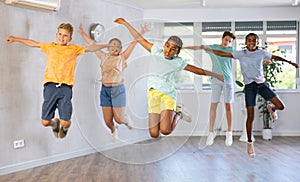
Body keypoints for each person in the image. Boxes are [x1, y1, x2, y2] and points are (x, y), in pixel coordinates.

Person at [114, 18, 224, 138]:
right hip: (153, 96)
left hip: (167, 95)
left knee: (165, 130)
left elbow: (197, 70)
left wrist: (215, 75)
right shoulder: (156, 51)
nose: (168, 51)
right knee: (154, 134)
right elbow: (140, 38)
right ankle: (178, 112)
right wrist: (125, 23)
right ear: (164, 45)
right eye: (167, 46)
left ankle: (179, 114)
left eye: (173, 49)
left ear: (177, 52)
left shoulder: (178, 62)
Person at [199, 33, 299, 157]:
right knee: (250, 116)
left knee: (281, 106)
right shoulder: (241, 54)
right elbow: (224, 54)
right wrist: (209, 50)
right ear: (246, 42)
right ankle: (249, 143)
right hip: (249, 87)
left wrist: (290, 62)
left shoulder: (262, 53)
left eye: (254, 41)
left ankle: (271, 108)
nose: (252, 42)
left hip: (262, 85)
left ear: (257, 42)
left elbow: (276, 57)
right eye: (249, 40)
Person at [6, 23, 107, 139]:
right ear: (56, 34)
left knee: (66, 123)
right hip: (50, 87)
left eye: (65, 35)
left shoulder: (73, 49)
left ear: (70, 38)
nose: (62, 37)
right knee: (45, 122)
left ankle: (62, 124)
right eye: (60, 34)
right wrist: (15, 39)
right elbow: (33, 43)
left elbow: (91, 48)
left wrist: (106, 45)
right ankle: (55, 123)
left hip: (65, 88)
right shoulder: (50, 47)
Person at [78, 23, 149, 140]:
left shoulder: (122, 58)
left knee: (119, 119)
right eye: (112, 46)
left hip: (118, 90)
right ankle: (113, 129)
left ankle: (126, 119)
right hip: (105, 90)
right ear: (108, 48)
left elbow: (133, 43)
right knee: (107, 121)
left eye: (117, 46)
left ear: (120, 49)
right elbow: (92, 44)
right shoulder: (103, 56)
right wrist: (82, 33)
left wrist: (142, 32)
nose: (114, 48)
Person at [184, 31, 236, 146]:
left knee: (228, 106)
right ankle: (211, 133)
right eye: (226, 39)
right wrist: (183, 47)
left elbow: (244, 57)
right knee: (214, 105)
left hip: (227, 81)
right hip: (215, 80)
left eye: (230, 41)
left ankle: (229, 133)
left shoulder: (231, 51)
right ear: (222, 38)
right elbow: (199, 47)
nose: (227, 42)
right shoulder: (213, 48)